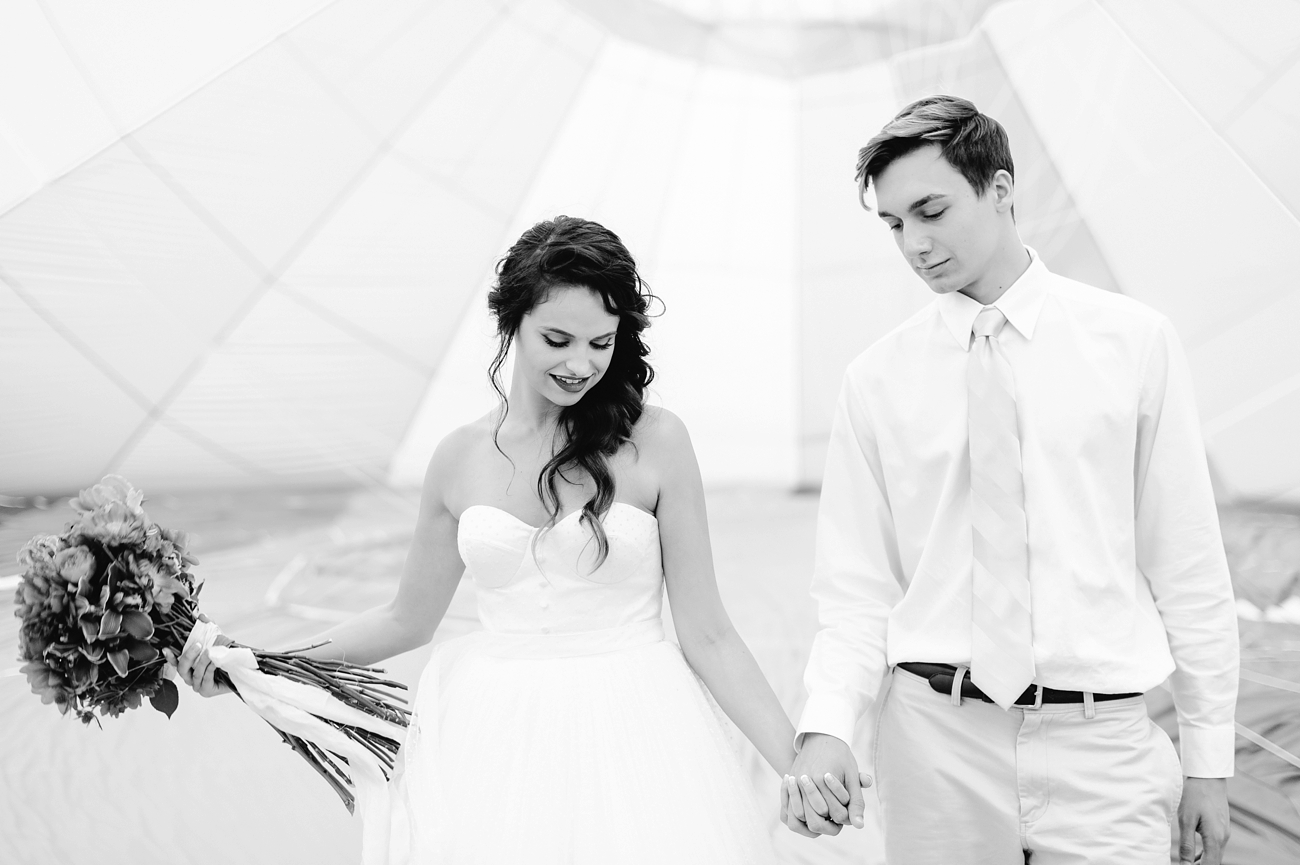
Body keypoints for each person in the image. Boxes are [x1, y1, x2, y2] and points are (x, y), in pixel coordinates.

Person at [178, 216, 793, 863]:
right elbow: (404, 617)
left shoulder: (658, 441)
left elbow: (709, 633)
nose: (581, 364)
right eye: (557, 339)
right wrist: (263, 665)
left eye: (601, 342)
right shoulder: (458, 457)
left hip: (639, 729)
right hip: (496, 737)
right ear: (512, 322)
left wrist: (796, 761)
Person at [780, 96, 1238, 864]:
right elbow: (856, 592)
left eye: (930, 210)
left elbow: (1188, 564)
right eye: (894, 225)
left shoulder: (1134, 344)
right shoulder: (874, 380)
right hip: (935, 745)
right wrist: (828, 723)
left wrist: (1209, 761)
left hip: (1105, 746)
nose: (915, 244)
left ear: (999, 188)